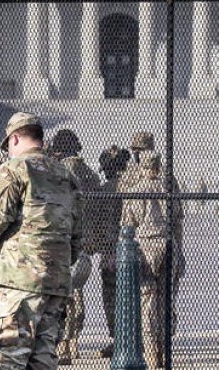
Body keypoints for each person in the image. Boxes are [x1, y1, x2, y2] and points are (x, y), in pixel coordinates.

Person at [0, 113, 85, 370]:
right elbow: (77, 235)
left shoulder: (13, 169)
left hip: (17, 283)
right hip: (55, 283)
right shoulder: (67, 176)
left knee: (3, 358)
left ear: (14, 138)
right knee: (42, 360)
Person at [120, 153, 183, 370]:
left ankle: (152, 357)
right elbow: (177, 222)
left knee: (147, 303)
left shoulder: (134, 192)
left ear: (142, 168)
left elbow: (127, 227)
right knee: (166, 300)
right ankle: (165, 353)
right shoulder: (169, 191)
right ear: (159, 166)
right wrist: (179, 251)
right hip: (168, 244)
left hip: (145, 247)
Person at [51, 129, 101, 365]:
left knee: (64, 297)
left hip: (65, 238)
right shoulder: (90, 174)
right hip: (85, 240)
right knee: (77, 295)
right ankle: (73, 342)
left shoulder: (60, 172)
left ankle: (64, 346)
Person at [93, 145, 130, 360]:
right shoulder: (132, 185)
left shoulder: (107, 189)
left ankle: (119, 340)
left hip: (111, 250)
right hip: (133, 249)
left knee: (111, 297)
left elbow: (102, 224)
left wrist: (103, 250)